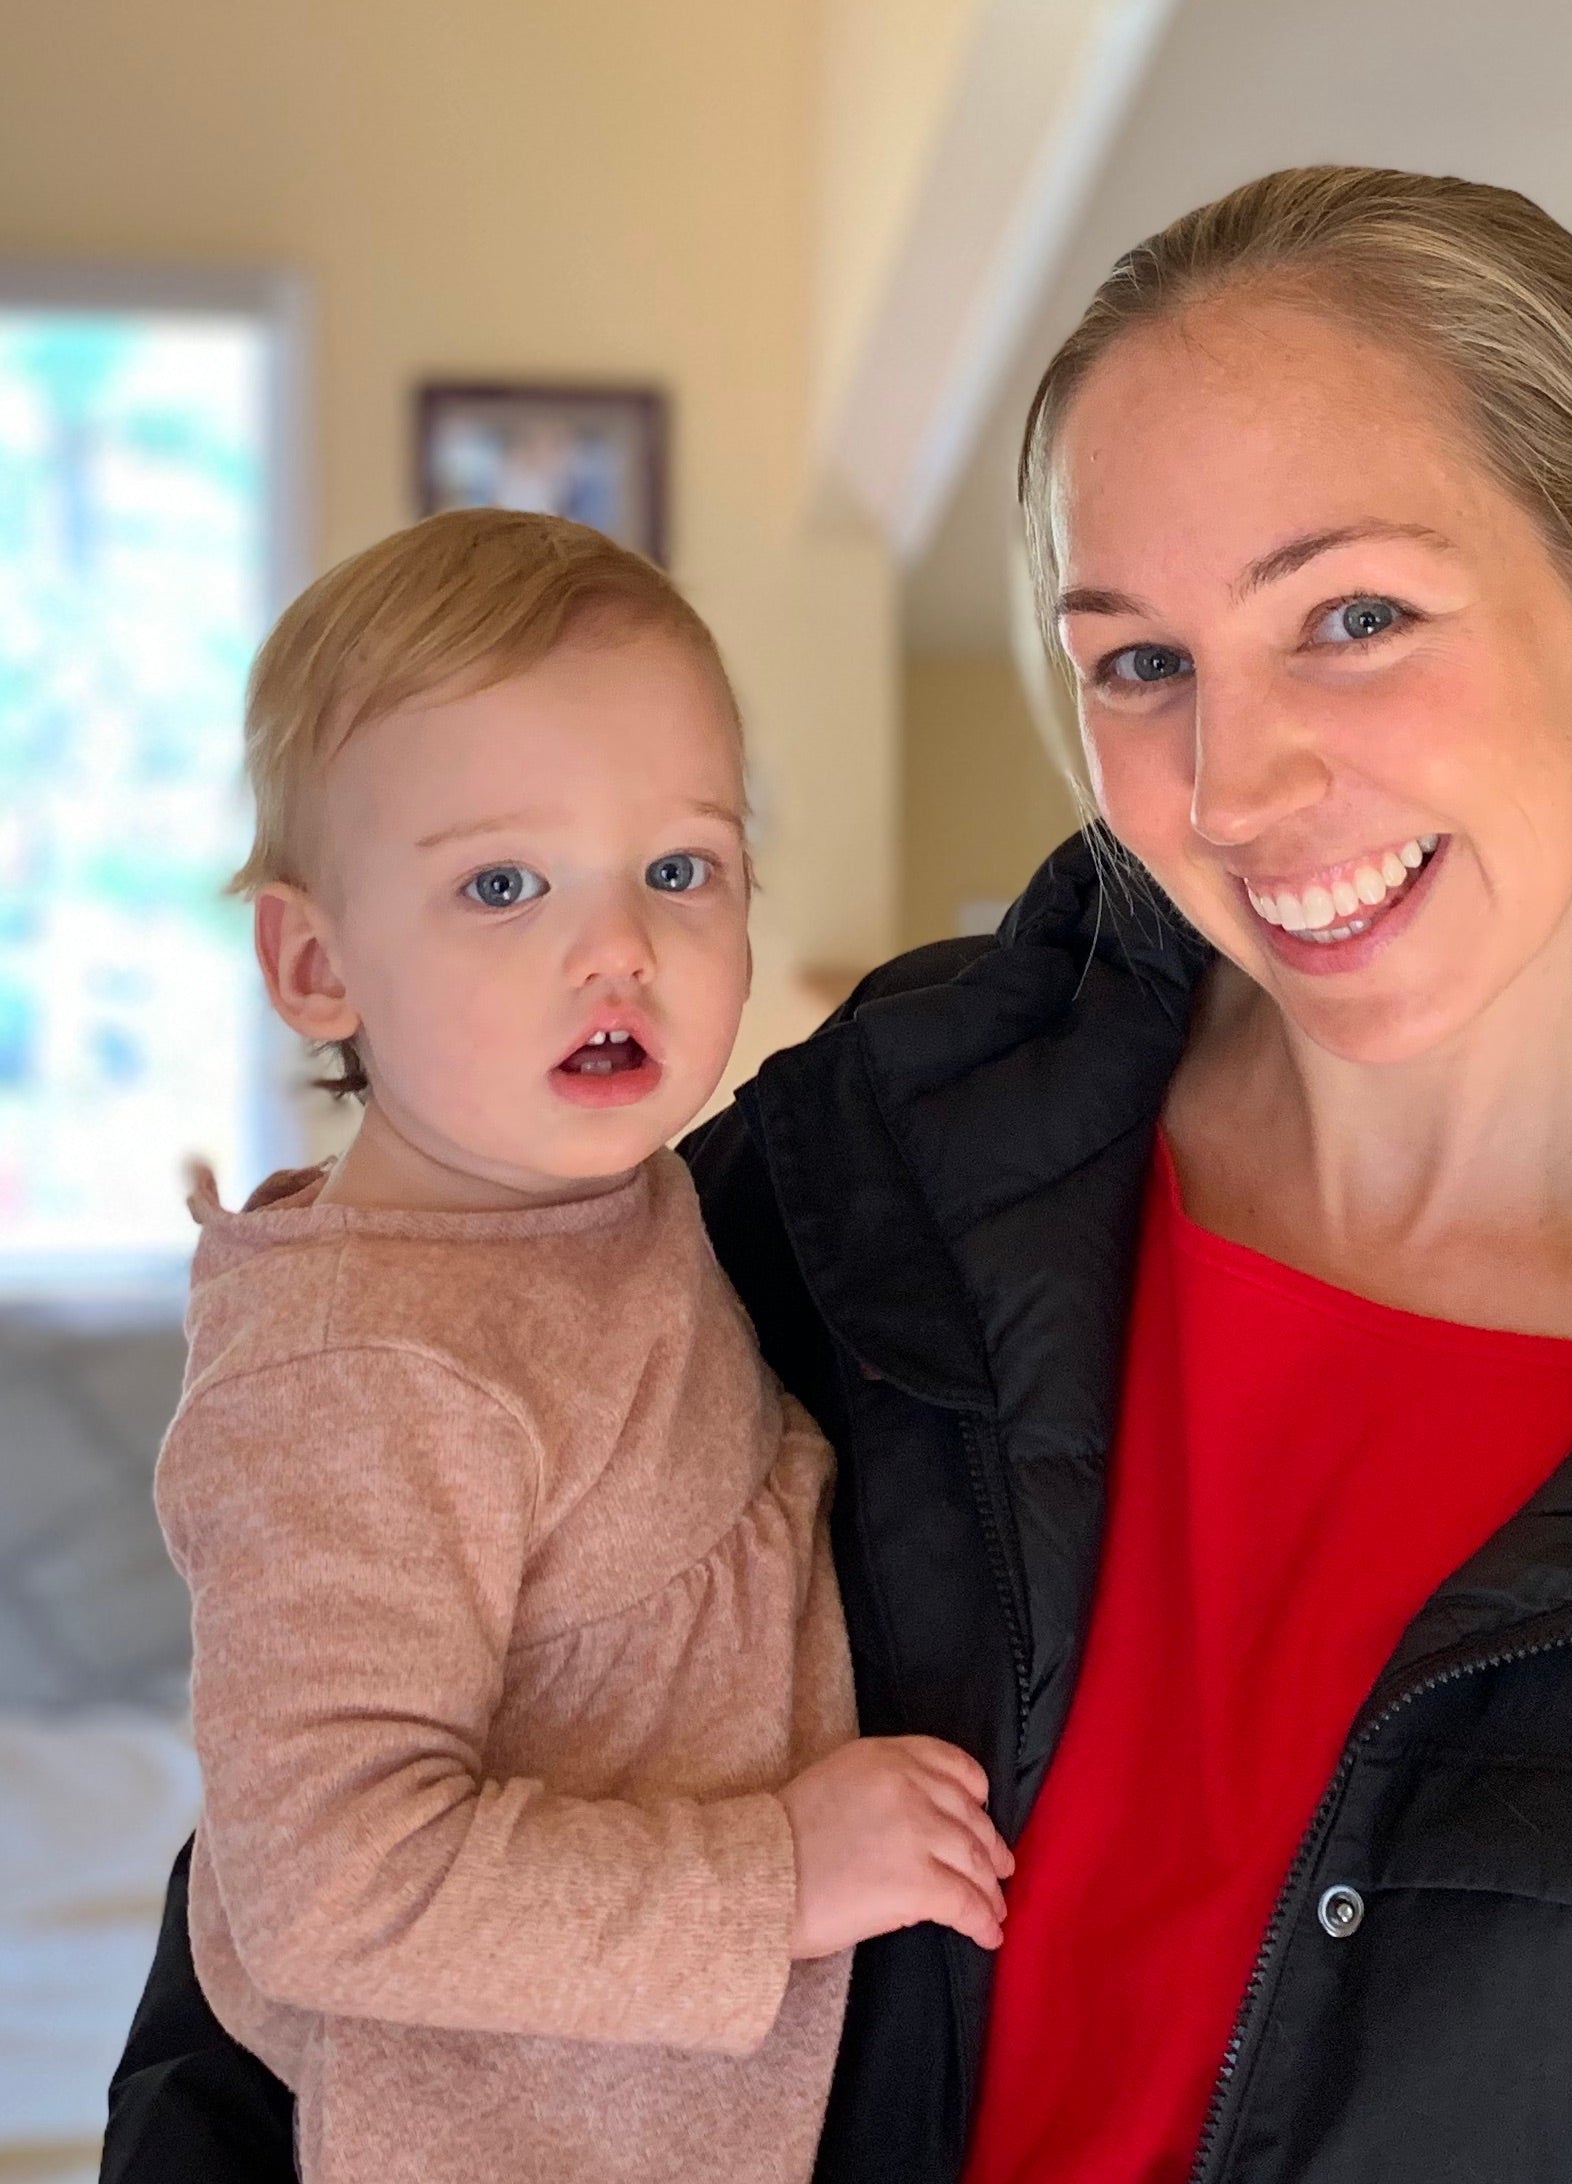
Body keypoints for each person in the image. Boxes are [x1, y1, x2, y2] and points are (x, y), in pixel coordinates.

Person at [110, 171, 1572, 2184]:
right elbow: (305, 1889)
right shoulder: (870, 1176)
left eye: (1353, 615)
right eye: (1139, 661)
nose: (1237, 781)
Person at [131, 510, 1011, 2184]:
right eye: (503, 882)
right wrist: (777, 1873)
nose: (616, 946)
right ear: (316, 963)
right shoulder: (368, 1372)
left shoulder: (603, 1192)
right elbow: (331, 1880)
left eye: (677, 869)